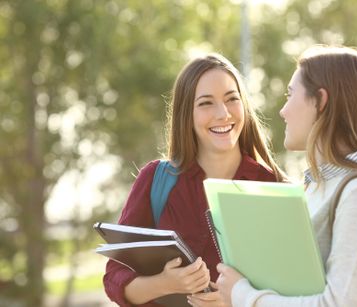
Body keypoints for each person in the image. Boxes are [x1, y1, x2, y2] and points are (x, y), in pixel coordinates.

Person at [205, 45, 357, 307]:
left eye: (290, 95)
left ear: (321, 101)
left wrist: (244, 296)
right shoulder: (317, 186)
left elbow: (339, 303)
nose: (283, 111)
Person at [103, 53, 285, 306]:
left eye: (232, 99)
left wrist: (238, 300)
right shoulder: (156, 180)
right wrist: (164, 284)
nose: (223, 114)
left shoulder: (274, 187)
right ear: (186, 114)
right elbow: (114, 278)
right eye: (206, 103)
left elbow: (296, 290)